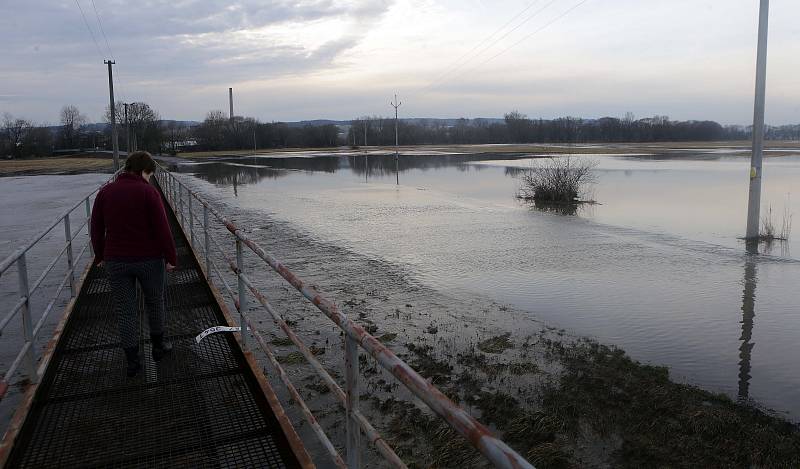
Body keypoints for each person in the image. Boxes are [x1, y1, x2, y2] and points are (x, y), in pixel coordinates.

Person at [90, 151, 177, 377]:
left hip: (116, 261)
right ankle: (159, 347)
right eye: (149, 174)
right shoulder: (149, 192)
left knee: (125, 311)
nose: (149, 179)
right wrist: (171, 258)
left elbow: (97, 229)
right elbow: (163, 229)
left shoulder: (105, 193)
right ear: (142, 171)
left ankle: (132, 362)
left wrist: (99, 255)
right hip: (149, 260)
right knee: (155, 302)